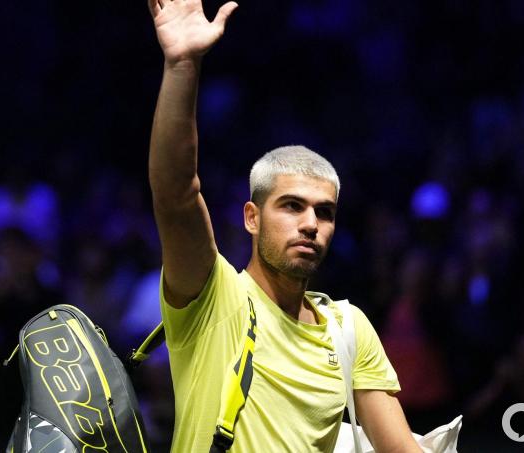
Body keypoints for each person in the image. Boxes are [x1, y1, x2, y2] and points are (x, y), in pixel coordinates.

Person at [146, 0, 422, 451]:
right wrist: (181, 65)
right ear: (252, 218)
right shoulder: (212, 297)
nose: (311, 223)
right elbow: (176, 196)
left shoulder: (348, 329)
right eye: (292, 206)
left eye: (324, 212)